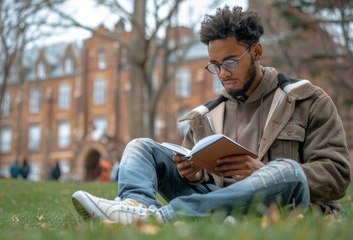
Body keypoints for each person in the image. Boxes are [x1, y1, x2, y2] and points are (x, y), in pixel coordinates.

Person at [71, 5, 351, 224]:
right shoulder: (205, 116)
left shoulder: (308, 100)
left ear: (257, 51)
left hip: (285, 206)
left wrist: (265, 173)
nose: (222, 73)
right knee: (139, 147)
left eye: (230, 62)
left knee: (286, 171)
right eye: (215, 65)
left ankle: (161, 218)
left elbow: (337, 175)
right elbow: (203, 175)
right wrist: (193, 175)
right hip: (215, 202)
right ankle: (135, 207)